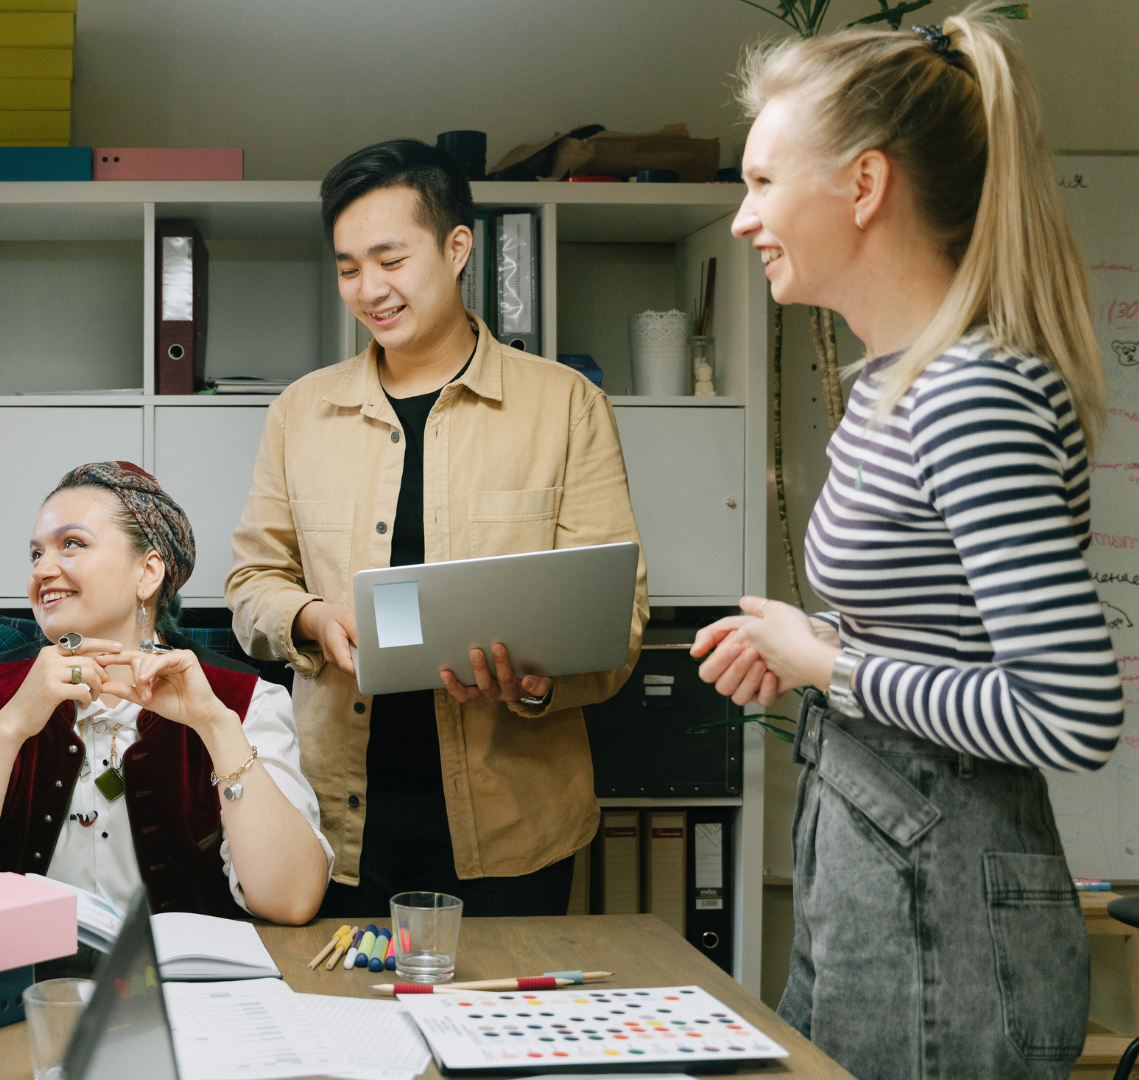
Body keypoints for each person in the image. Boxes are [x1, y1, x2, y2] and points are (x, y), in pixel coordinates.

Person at [690, 11, 1118, 1079]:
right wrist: (812, 645)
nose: (743, 219)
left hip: (946, 911)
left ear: (865, 185)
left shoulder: (969, 394)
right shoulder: (896, 383)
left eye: (762, 181)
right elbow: (948, 629)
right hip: (878, 871)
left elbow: (1070, 712)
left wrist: (826, 664)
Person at [225, 139, 648, 919]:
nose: (369, 290)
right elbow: (252, 584)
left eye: (390, 260)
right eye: (349, 268)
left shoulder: (565, 406)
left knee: (503, 1001)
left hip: (515, 824)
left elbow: (617, 619)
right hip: (334, 818)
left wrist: (537, 682)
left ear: (457, 249)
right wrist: (311, 618)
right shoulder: (300, 413)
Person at [0, 462, 331, 924]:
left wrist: (216, 727)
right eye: (36, 554)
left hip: (183, 971)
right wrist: (9, 727)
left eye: (72, 544)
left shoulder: (248, 700)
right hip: (26, 970)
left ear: (148, 573)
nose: (42, 571)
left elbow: (291, 900)